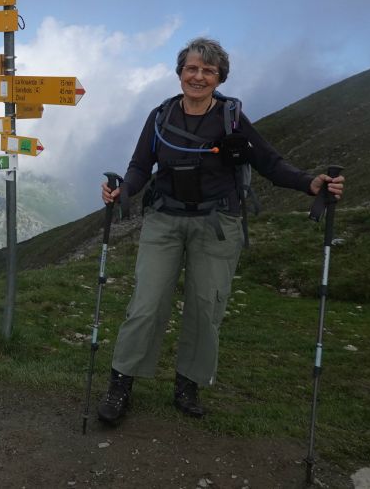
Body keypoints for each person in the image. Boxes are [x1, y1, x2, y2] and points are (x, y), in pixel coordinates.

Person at [98, 37, 344, 425]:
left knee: (205, 306)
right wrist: (123, 189)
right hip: (164, 220)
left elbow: (269, 162)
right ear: (180, 73)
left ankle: (188, 384)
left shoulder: (232, 119)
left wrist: (308, 184)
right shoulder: (161, 116)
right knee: (145, 305)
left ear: (219, 77)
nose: (198, 77)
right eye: (192, 69)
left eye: (208, 71)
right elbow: (141, 165)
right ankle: (121, 383)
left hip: (217, 225)